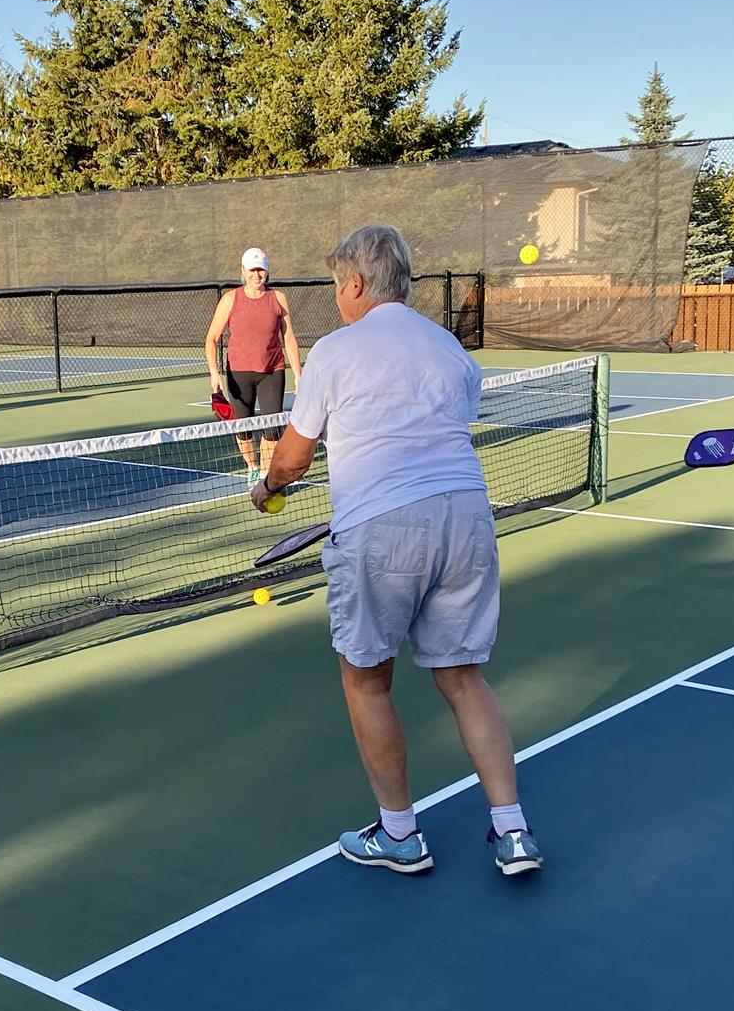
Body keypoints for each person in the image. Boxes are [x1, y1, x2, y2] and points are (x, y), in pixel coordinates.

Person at [252, 224, 542, 876]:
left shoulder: (333, 350)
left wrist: (266, 486)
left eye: (336, 285)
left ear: (355, 283)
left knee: (366, 680)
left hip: (382, 530)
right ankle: (512, 829)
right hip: (466, 516)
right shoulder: (450, 349)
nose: (338, 297)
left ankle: (400, 833)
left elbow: (294, 457)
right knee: (464, 677)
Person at [204, 247, 302, 478]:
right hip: (239, 374)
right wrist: (214, 374)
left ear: (267, 271)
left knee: (272, 429)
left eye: (261, 270)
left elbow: (288, 337)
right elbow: (211, 339)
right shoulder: (230, 299)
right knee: (243, 428)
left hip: (272, 372)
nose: (257, 275)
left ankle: (266, 474)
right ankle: (253, 468)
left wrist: (298, 374)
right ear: (243, 271)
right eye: (252, 270)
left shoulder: (278, 299)